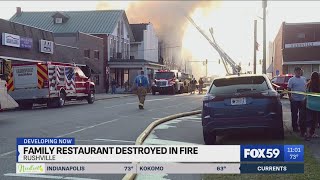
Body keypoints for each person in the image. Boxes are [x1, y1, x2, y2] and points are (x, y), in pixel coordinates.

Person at [287, 67, 307, 136]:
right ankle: (295, 127)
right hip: (294, 100)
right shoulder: (291, 80)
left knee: (302, 115)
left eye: (300, 71)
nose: (299, 72)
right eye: (297, 71)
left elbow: (305, 88)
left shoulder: (304, 79)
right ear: (295, 72)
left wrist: (306, 97)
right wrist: (290, 98)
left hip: (303, 100)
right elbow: (288, 89)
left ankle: (301, 128)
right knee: (294, 114)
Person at [305, 72, 320, 140]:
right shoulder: (318, 85)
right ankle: (312, 133)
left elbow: (306, 93)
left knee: (309, 120)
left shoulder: (308, 84)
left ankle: (308, 134)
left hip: (309, 105)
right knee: (314, 120)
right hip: (317, 106)